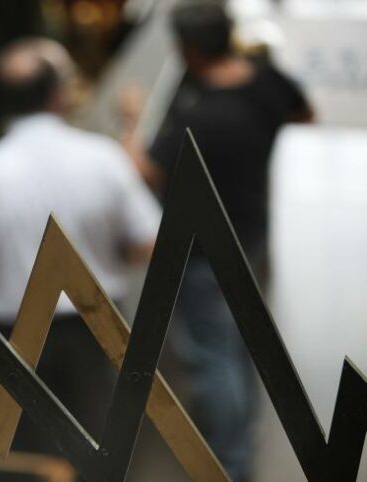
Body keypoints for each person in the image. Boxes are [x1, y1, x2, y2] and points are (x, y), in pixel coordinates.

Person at [0, 38, 161, 452]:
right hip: (97, 331)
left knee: (24, 457)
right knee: (101, 454)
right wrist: (108, 253)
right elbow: (148, 243)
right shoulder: (104, 159)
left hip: (11, 337)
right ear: (58, 94)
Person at [126, 2, 314, 481]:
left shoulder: (199, 114)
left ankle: (229, 464)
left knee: (213, 353)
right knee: (242, 341)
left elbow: (148, 172)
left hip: (202, 251)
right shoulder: (267, 82)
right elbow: (306, 113)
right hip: (250, 234)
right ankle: (242, 438)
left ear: (187, 49)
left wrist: (130, 122)